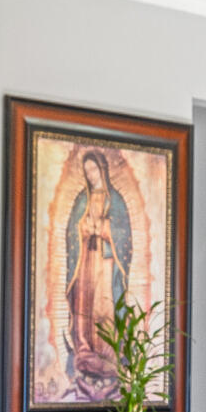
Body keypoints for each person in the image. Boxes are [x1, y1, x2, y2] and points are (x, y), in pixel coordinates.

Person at [61, 147, 132, 397]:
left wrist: (102, 227)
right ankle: (84, 351)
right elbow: (72, 230)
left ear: (102, 169)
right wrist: (82, 228)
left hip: (106, 262)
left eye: (94, 169)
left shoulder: (116, 200)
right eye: (87, 170)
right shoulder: (83, 199)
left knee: (104, 308)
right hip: (86, 260)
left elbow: (124, 235)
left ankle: (107, 356)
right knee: (84, 307)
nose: (90, 174)